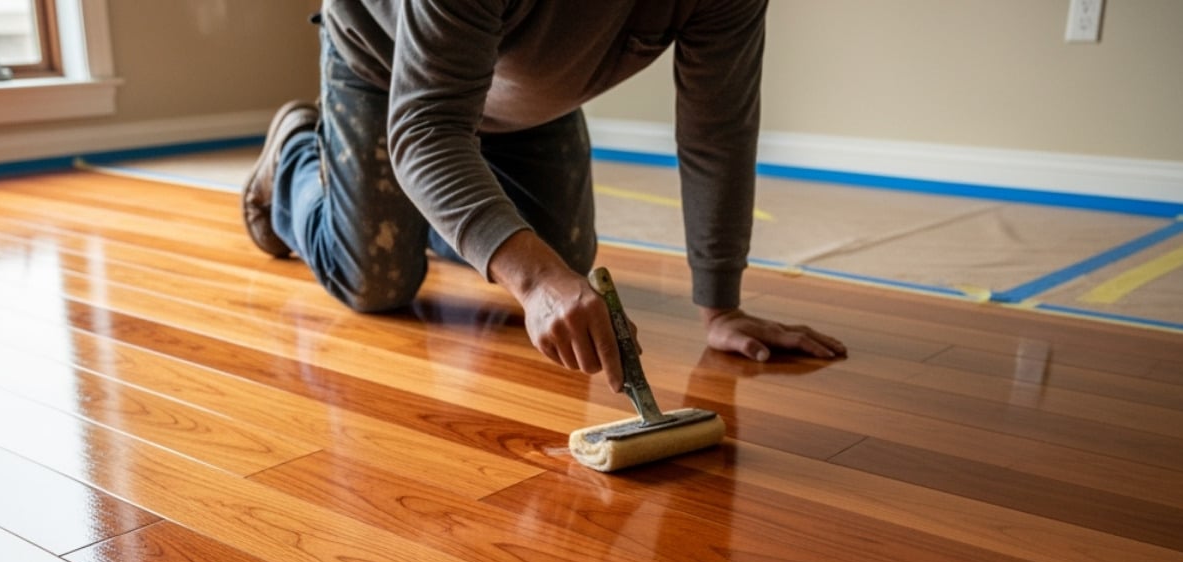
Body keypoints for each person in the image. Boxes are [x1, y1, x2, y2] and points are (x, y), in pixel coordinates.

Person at [243, 0, 844, 393]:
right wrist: (532, 282)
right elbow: (428, 129)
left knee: (563, 258)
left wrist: (722, 307)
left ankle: (424, 202)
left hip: (529, 96)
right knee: (377, 282)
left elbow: (717, 133)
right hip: (385, 64)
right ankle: (294, 153)